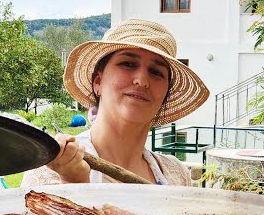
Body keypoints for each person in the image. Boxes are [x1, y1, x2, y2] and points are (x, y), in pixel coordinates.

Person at [21, 19, 208, 187]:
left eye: (156, 72)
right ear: (97, 82)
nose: (142, 81)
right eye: (128, 64)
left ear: (165, 95)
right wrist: (73, 183)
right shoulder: (54, 168)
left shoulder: (177, 176)